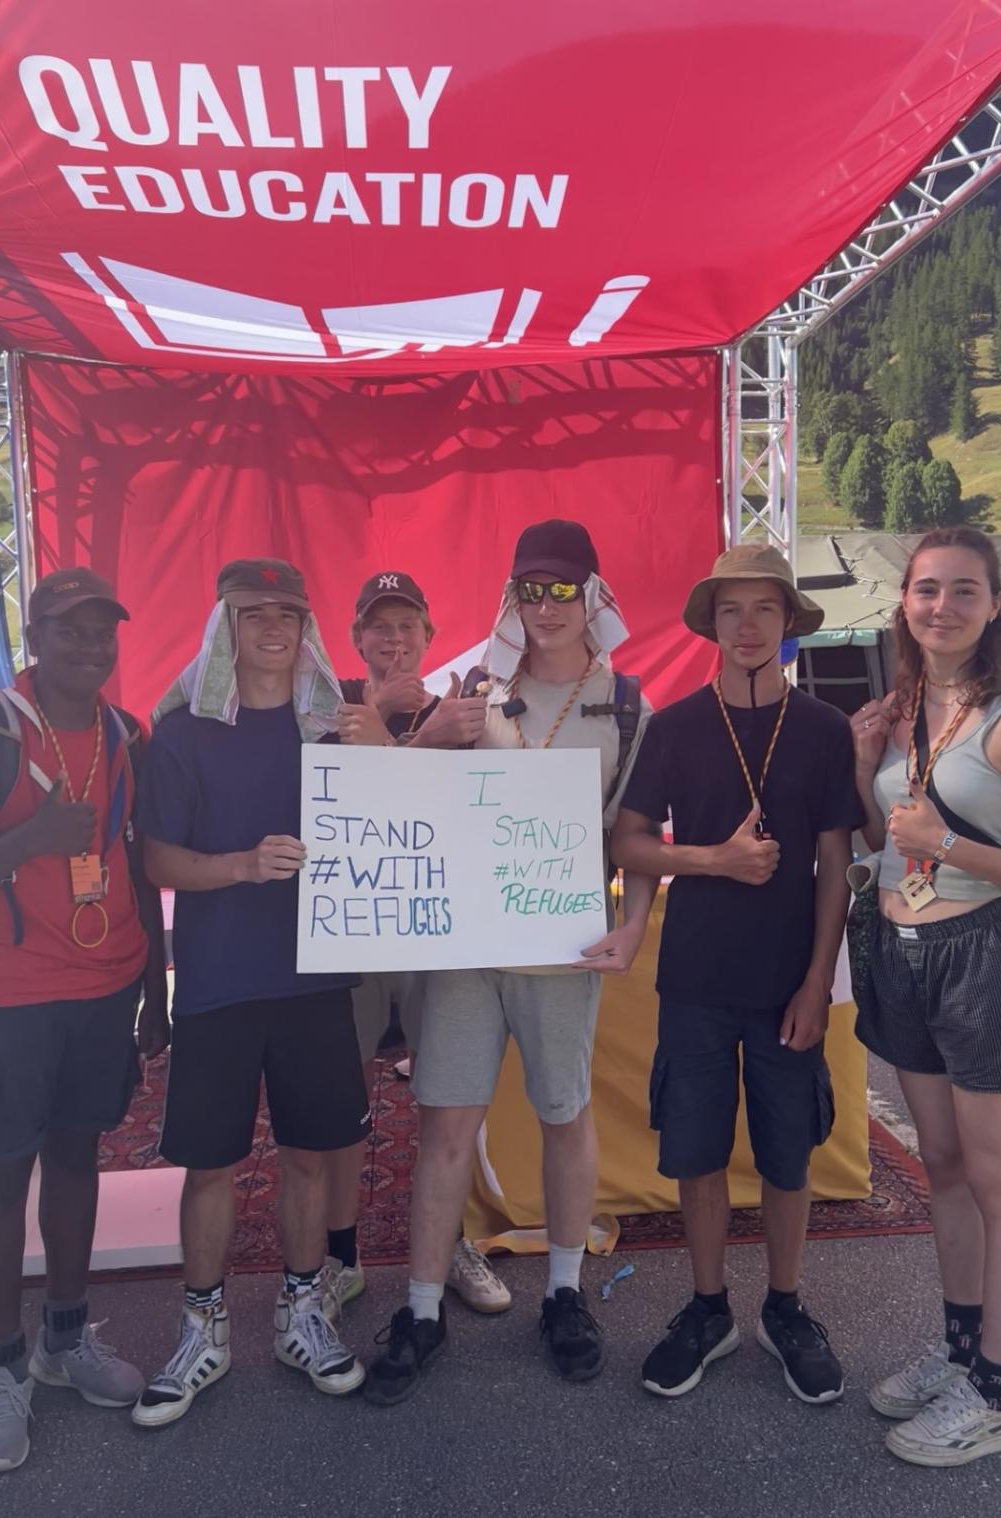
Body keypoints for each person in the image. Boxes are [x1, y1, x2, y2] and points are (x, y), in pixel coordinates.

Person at [363, 519, 655, 1405]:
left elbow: (634, 839)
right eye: (530, 587)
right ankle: (419, 1309)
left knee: (565, 1113)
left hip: (561, 943)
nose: (546, 604)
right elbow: (402, 801)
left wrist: (634, 926)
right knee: (446, 1123)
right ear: (511, 597)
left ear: (594, 595)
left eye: (564, 588)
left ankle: (564, 1295)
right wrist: (437, 736)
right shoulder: (471, 691)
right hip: (465, 943)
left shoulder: (628, 703)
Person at [849, 526, 1001, 1467]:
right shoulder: (911, 705)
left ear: (994, 608)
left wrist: (948, 846)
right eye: (925, 590)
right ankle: (962, 1352)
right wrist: (862, 763)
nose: (941, 606)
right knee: (942, 1169)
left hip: (987, 955)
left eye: (963, 591)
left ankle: (999, 1392)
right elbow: (888, 833)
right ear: (903, 604)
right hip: (903, 953)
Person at [0, 569, 168, 1473]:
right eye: (70, 633)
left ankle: (63, 1339)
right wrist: (28, 840)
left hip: (102, 986)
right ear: (37, 639)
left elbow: (135, 862)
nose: (90, 648)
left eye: (102, 632)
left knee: (76, 1157)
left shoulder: (123, 733)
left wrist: (155, 985)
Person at [611, 543, 862, 1406]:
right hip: (695, 979)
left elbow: (838, 865)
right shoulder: (674, 726)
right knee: (696, 1150)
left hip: (789, 978)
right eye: (731, 610)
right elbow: (628, 841)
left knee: (788, 1155)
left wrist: (817, 982)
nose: (747, 625)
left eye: (764, 608)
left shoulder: (825, 730)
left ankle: (785, 1308)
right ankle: (709, 1305)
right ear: (711, 623)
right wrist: (713, 858)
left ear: (788, 622)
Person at [131, 559, 370, 1429]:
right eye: (252, 613)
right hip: (219, 981)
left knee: (311, 1151)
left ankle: (302, 1311)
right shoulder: (184, 733)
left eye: (288, 613)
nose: (273, 627)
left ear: (306, 626)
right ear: (223, 626)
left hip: (317, 977)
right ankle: (204, 1327)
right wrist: (240, 866)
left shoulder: (337, 728)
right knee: (211, 1163)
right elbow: (158, 860)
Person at [323, 570, 510, 1315]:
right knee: (341, 1101)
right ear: (356, 638)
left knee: (449, 1099)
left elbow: (482, 814)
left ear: (430, 637)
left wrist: (433, 738)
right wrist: (388, 726)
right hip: (356, 940)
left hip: (439, 935)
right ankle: (341, 1254)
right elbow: (325, 804)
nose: (394, 640)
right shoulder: (328, 705)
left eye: (408, 626)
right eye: (380, 626)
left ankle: (449, 1240)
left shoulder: (462, 714)